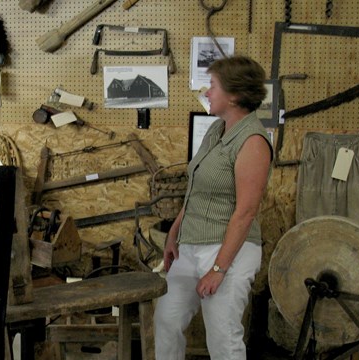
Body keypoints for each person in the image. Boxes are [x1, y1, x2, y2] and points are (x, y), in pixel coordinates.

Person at [154, 55, 273, 359]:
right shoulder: (215, 131)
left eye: (213, 86)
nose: (207, 92)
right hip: (191, 246)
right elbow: (197, 190)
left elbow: (245, 212)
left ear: (234, 95)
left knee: (222, 337)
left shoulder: (253, 141)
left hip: (228, 250)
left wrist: (219, 269)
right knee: (166, 320)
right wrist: (174, 233)